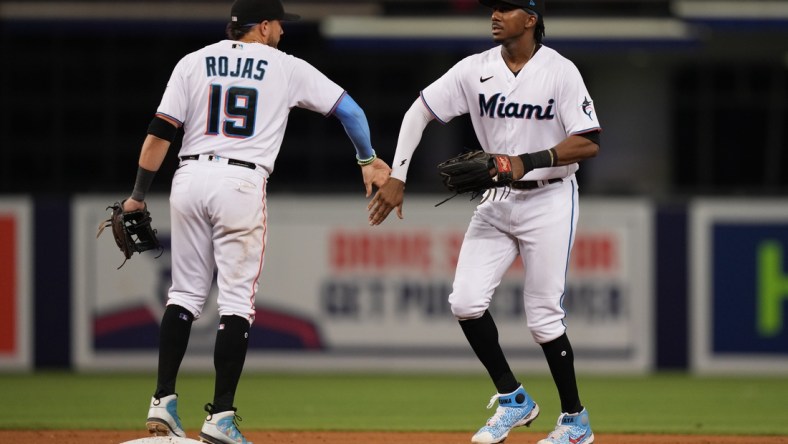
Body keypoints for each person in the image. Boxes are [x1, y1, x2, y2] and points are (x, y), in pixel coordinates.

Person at [124, 0, 391, 442]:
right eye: (279, 25)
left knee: (185, 293)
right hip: (240, 181)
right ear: (263, 27)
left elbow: (160, 132)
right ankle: (221, 417)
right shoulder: (285, 66)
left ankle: (162, 402)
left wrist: (136, 196)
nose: (283, 32)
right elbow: (352, 112)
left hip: (188, 176)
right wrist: (366, 158)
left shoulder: (193, 62)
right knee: (236, 303)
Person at [368, 0, 600, 443]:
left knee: (544, 318)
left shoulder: (560, 71)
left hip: (549, 199)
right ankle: (514, 399)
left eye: (506, 8)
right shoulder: (474, 69)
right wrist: (397, 175)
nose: (494, 15)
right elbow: (418, 112)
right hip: (496, 198)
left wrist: (526, 160)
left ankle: (575, 422)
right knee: (465, 302)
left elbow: (588, 142)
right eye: (492, 8)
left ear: (530, 20)